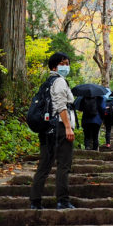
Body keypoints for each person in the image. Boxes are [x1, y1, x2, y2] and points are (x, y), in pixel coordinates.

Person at [29, 52, 76, 210]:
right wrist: (68, 127)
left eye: (68, 63)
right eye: (64, 63)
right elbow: (61, 105)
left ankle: (35, 201)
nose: (66, 66)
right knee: (63, 165)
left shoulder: (47, 82)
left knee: (44, 165)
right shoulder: (60, 81)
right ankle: (62, 201)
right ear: (55, 66)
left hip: (47, 129)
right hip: (60, 128)